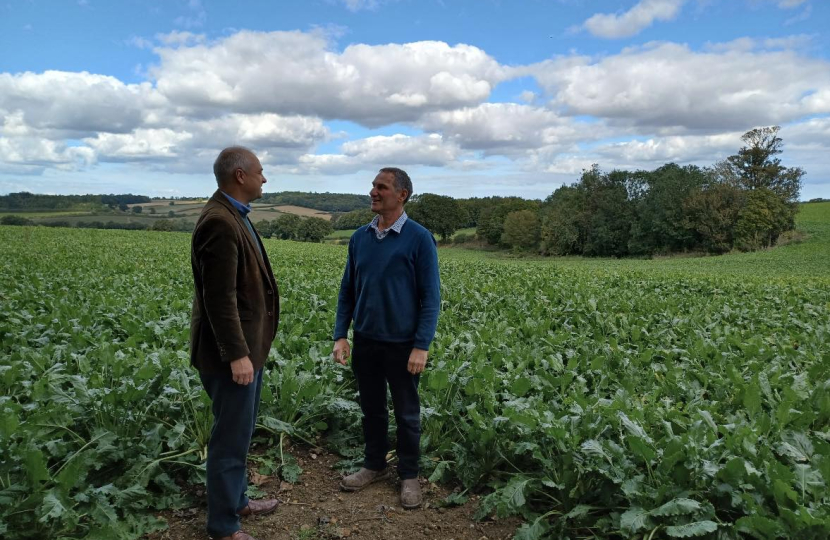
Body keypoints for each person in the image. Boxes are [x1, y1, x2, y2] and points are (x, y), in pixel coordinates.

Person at [332, 167, 441, 509]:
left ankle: (409, 476)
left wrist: (421, 345)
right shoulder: (360, 238)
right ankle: (374, 465)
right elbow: (347, 290)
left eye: (381, 187)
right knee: (372, 409)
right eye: (373, 186)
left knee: (407, 414)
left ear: (402, 194)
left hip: (403, 345)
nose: (373, 192)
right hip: (366, 340)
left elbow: (431, 297)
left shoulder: (419, 238)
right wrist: (341, 335)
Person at [190, 146, 280, 540]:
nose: (265, 178)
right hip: (232, 357)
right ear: (240, 176)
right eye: (260, 172)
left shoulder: (233, 215)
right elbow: (219, 298)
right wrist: (238, 355)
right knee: (229, 439)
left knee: (239, 433)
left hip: (245, 352)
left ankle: (238, 501)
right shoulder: (220, 222)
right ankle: (224, 527)